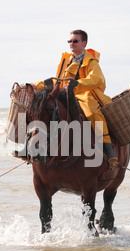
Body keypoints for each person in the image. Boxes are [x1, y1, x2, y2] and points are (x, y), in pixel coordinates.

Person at [33, 29, 118, 168]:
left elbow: (97, 79)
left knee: (92, 113)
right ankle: (30, 147)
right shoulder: (65, 60)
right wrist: (36, 85)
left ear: (84, 43)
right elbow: (57, 80)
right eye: (70, 41)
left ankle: (109, 151)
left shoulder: (91, 61)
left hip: (84, 94)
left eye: (75, 41)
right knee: (42, 109)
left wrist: (76, 84)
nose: (72, 44)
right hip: (63, 92)